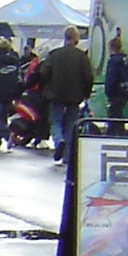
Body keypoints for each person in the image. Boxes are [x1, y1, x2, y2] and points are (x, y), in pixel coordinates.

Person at [39, 26, 95, 163]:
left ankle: (59, 141)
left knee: (56, 122)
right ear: (76, 39)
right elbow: (88, 78)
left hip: (56, 94)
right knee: (70, 125)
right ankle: (67, 157)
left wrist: (47, 87)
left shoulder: (54, 54)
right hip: (74, 97)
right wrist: (85, 93)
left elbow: (43, 73)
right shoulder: (82, 57)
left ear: (65, 37)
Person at [103, 35, 128, 123]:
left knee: (113, 118)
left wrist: (108, 93)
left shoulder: (113, 61)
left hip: (115, 94)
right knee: (118, 116)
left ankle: (115, 134)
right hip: (124, 93)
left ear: (112, 48)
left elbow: (111, 78)